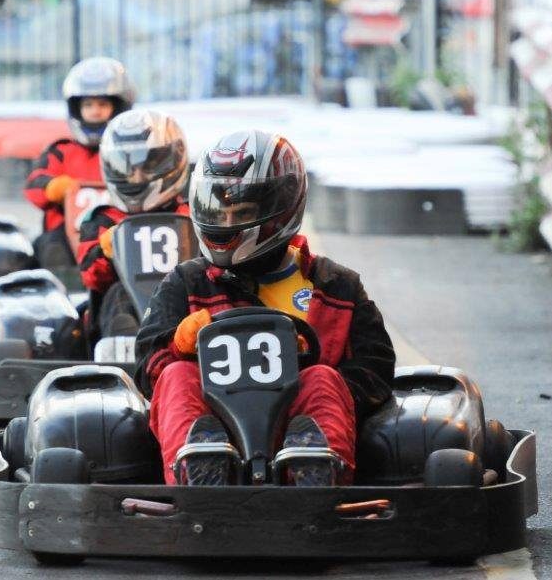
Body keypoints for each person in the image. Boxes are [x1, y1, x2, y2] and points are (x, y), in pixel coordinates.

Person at [135, 130, 395, 486]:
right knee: (176, 376)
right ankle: (201, 467)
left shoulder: (337, 286)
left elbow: (376, 371)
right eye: (218, 212)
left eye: (239, 212)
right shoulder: (187, 282)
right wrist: (179, 346)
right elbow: (148, 369)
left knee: (323, 378)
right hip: (215, 420)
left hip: (300, 423)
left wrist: (303, 372)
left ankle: (314, 472)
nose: (225, 224)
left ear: (281, 208)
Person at [77, 109, 191, 337]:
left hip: (188, 308)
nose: (136, 177)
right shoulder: (103, 219)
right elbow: (91, 276)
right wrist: (107, 248)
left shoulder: (191, 214)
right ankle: (127, 353)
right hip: (125, 310)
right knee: (117, 294)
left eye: (147, 165)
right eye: (127, 168)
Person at [24, 57, 135, 267]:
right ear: (77, 108)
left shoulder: (131, 152)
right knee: (51, 246)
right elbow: (34, 184)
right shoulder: (62, 151)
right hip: (64, 238)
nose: (95, 110)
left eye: (103, 104)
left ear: (119, 107)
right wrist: (54, 188)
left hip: (114, 233)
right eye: (88, 104)